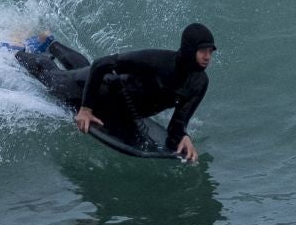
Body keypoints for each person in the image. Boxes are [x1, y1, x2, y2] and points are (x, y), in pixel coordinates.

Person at [43, 23, 215, 162]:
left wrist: (183, 136)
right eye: (203, 51)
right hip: (102, 94)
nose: (207, 57)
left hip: (123, 110)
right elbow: (101, 64)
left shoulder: (199, 83)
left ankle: (50, 42)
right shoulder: (157, 61)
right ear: (189, 49)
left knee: (82, 69)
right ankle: (20, 50)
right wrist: (86, 109)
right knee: (53, 77)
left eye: (210, 51)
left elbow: (177, 123)